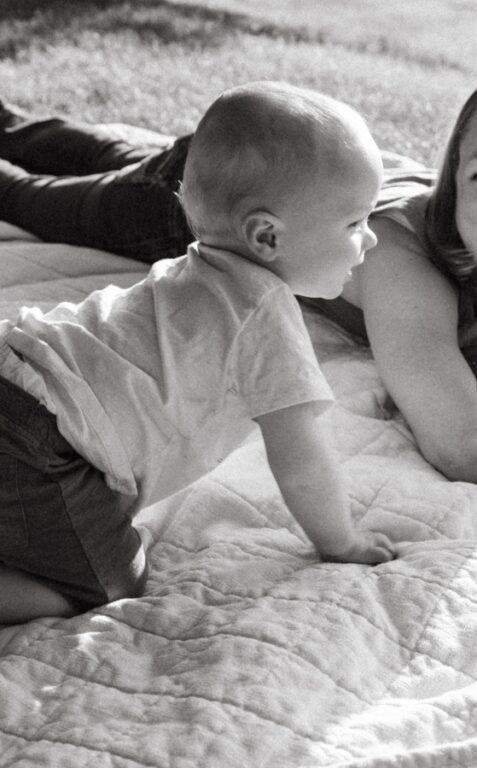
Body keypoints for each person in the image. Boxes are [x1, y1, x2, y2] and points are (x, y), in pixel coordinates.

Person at [0, 53, 477, 484]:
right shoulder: (398, 257)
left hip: (284, 175)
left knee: (53, 135)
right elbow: (469, 448)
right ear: (455, 175)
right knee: (21, 190)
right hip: (198, 199)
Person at [0, 82, 396, 625]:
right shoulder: (264, 315)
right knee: (106, 579)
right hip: (40, 434)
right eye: (356, 223)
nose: (370, 240)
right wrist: (343, 541)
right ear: (266, 236)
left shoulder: (193, 268)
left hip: (19, 367)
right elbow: (301, 461)